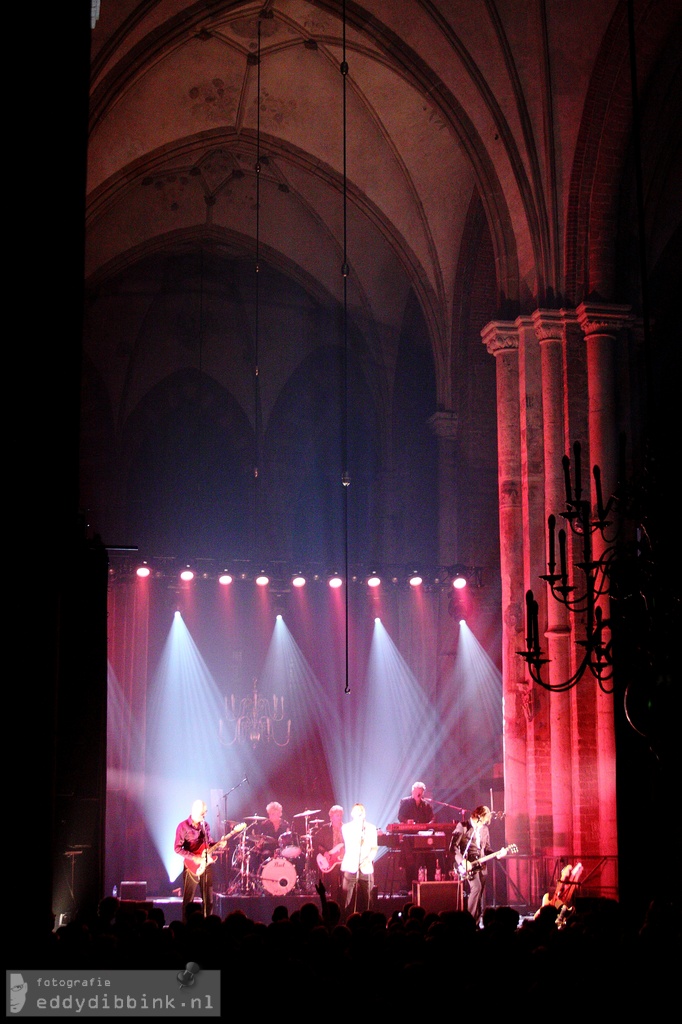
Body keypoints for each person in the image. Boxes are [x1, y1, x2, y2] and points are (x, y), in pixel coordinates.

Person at [174, 799, 224, 922]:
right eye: (202, 813)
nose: (204, 816)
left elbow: (209, 843)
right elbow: (177, 848)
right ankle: (186, 925)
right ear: (195, 811)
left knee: (208, 898)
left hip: (205, 864)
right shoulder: (183, 826)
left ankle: (208, 925)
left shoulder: (205, 825)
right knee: (188, 899)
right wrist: (194, 857)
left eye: (205, 813)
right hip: (191, 866)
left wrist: (219, 843)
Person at [449, 804, 500, 925]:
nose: (484, 824)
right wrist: (462, 861)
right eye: (483, 821)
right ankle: (469, 922)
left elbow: (487, 848)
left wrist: (496, 854)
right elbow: (453, 848)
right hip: (468, 865)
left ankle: (476, 923)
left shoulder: (484, 829)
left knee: (480, 893)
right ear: (478, 817)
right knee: (476, 888)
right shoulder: (463, 826)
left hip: (481, 865)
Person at [341, 803, 378, 915]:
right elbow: (352, 843)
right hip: (351, 866)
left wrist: (368, 860)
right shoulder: (346, 827)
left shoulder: (371, 828)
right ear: (352, 814)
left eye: (360, 812)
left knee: (368, 897)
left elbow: (374, 848)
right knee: (346, 896)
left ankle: (369, 918)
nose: (359, 814)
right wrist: (361, 832)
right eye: (356, 812)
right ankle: (345, 918)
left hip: (365, 867)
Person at [398, 781, 435, 888]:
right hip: (410, 835)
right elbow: (400, 816)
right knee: (411, 860)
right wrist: (406, 821)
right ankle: (410, 886)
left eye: (420, 792)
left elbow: (432, 818)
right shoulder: (405, 802)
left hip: (423, 835)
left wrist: (429, 825)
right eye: (416, 791)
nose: (418, 794)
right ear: (412, 791)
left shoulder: (426, 805)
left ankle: (430, 885)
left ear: (423, 792)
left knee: (430, 855)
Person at [313, 804, 345, 904]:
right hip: (332, 860)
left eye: (340, 815)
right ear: (331, 817)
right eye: (336, 815)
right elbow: (316, 842)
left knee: (347, 881)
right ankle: (334, 903)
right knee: (334, 880)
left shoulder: (346, 829)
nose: (339, 817)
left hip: (345, 859)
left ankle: (346, 903)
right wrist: (324, 852)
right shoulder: (325, 829)